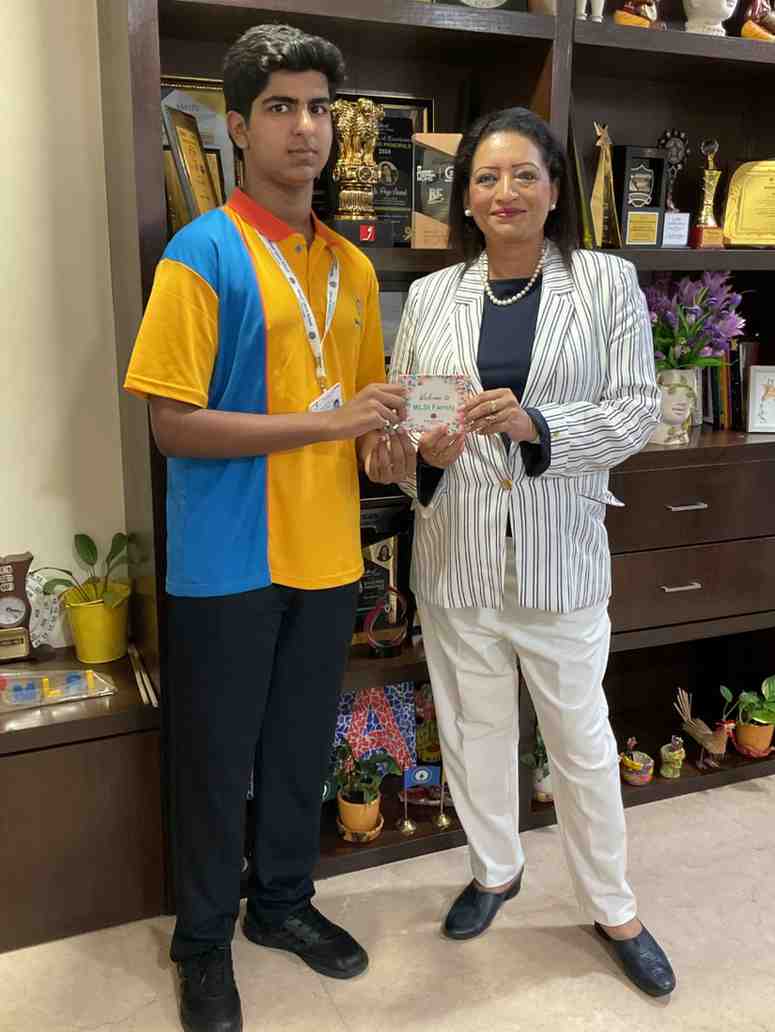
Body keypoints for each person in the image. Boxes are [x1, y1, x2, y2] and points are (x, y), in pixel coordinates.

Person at [124, 24, 413, 1032]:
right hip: (226, 559)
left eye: (319, 107)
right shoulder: (201, 252)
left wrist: (388, 446)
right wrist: (331, 423)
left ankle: (282, 902)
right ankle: (202, 941)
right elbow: (173, 426)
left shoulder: (352, 267)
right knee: (215, 757)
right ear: (240, 127)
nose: (305, 127)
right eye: (280, 107)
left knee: (297, 745)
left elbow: (362, 420)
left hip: (327, 551)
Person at [390, 106, 676, 998]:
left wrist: (536, 424)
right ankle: (494, 871)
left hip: (559, 555)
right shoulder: (432, 296)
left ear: (554, 190)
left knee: (579, 740)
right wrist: (426, 455)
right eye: (485, 177)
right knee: (473, 727)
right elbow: (408, 429)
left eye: (522, 174)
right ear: (465, 197)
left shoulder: (605, 282)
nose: (503, 192)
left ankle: (613, 906)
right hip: (456, 554)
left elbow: (636, 410)